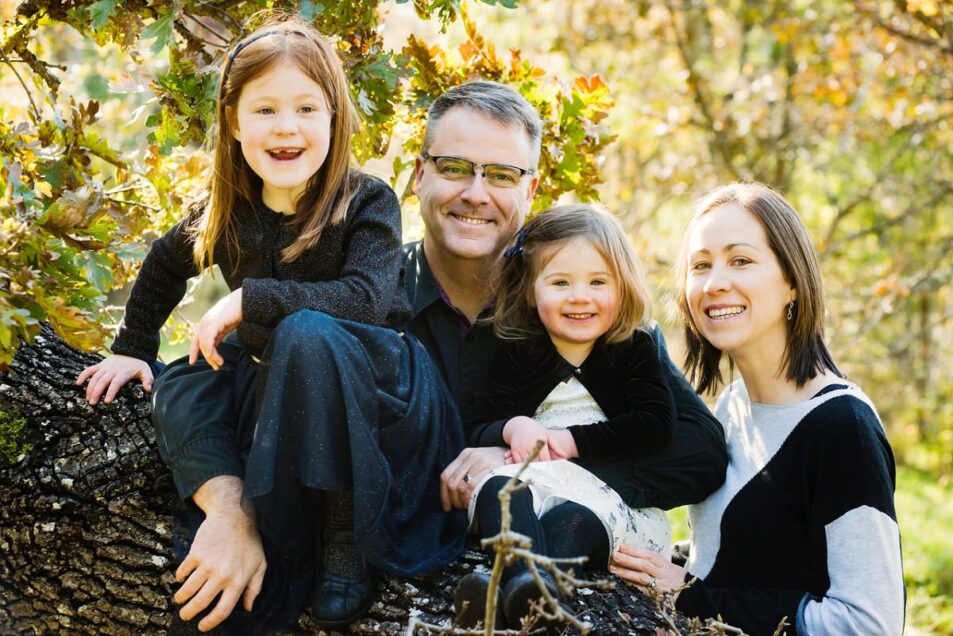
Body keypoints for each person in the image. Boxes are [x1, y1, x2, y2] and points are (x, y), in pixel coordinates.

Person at [77, 17, 466, 634]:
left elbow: (365, 299)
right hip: (274, 380)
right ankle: (232, 510)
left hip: (374, 394)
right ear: (234, 123)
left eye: (306, 107)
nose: (286, 127)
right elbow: (161, 266)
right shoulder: (226, 209)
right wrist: (132, 346)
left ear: (334, 118)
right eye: (264, 110)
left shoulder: (365, 201)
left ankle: (346, 531)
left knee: (307, 333)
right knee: (183, 379)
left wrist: (249, 300)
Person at [407, 81, 727, 523]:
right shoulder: (374, 299)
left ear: (530, 189)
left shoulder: (597, 316)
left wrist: (531, 468)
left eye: (501, 174)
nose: (476, 194)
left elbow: (699, 454)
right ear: (420, 175)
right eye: (455, 167)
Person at [609, 183, 905, 635]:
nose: (714, 283)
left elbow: (868, 623)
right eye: (700, 265)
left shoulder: (842, 429)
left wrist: (690, 595)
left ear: (792, 282)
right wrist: (659, 559)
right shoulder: (734, 407)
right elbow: (753, 555)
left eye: (741, 260)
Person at [453, 204, 677, 628]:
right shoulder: (517, 347)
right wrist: (513, 426)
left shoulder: (633, 348)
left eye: (598, 282)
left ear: (623, 287)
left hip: (598, 496)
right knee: (497, 488)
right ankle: (519, 585)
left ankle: (518, 591)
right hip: (531, 476)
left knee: (568, 519)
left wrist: (574, 441)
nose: (580, 296)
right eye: (560, 282)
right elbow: (480, 424)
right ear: (532, 289)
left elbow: (655, 424)